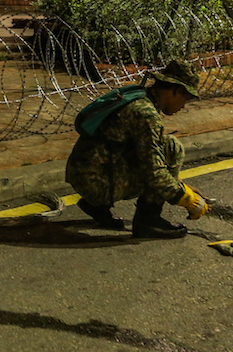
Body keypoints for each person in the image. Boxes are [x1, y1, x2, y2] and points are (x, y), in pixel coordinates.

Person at [65, 60, 209, 239]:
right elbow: (154, 172)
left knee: (165, 147)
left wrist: (179, 184)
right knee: (171, 149)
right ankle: (148, 221)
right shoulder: (146, 114)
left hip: (86, 171)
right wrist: (185, 197)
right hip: (95, 181)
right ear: (176, 90)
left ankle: (96, 206)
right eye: (185, 99)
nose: (183, 106)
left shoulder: (140, 96)